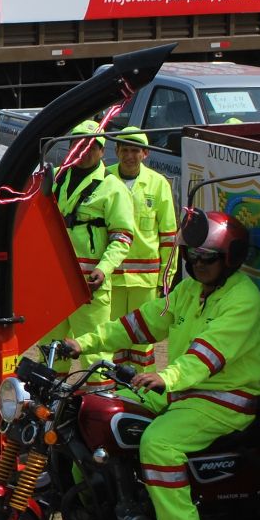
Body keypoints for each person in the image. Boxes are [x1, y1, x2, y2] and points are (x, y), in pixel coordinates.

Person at [61, 209, 260, 520]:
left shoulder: (242, 300)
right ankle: (99, 503)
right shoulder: (191, 289)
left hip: (223, 399)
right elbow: (141, 322)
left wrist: (166, 377)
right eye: (193, 256)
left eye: (209, 258)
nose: (199, 263)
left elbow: (207, 355)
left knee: (159, 443)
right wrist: (84, 343)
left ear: (230, 259)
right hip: (184, 392)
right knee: (94, 408)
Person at [44, 120, 137, 343]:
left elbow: (122, 237)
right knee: (49, 351)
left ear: (102, 151)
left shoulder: (113, 187)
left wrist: (103, 269)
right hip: (53, 281)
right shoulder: (54, 177)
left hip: (89, 284)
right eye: (78, 145)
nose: (83, 151)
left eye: (91, 146)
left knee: (94, 350)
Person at [108, 127, 178, 372]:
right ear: (116, 151)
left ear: (145, 153)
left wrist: (165, 281)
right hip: (111, 279)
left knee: (142, 342)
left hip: (145, 281)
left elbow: (169, 237)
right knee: (111, 337)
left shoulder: (158, 184)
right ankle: (110, 392)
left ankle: (140, 394)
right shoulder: (105, 179)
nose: (129, 156)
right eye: (124, 150)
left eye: (135, 150)